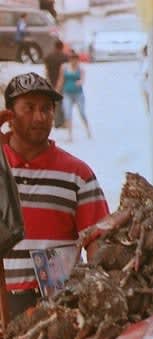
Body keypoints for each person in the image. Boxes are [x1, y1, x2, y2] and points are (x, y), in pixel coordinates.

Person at [0, 72, 109, 319]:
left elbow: (99, 240)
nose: (39, 117)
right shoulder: (1, 166)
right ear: (9, 116)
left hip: (59, 307)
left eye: (46, 109)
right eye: (29, 108)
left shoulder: (78, 174)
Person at [56, 51, 92, 142]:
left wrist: (79, 82)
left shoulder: (81, 69)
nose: (74, 61)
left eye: (75, 60)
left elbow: (82, 80)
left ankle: (88, 130)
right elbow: (61, 80)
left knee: (82, 112)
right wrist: (57, 90)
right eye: (72, 59)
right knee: (67, 113)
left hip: (78, 94)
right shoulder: (64, 67)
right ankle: (70, 135)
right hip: (67, 93)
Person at [43, 40, 68, 128]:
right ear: (62, 47)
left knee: (53, 103)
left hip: (51, 82)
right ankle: (60, 122)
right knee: (61, 102)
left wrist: (47, 81)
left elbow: (46, 71)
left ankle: (54, 121)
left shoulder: (48, 57)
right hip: (62, 83)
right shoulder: (65, 57)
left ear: (55, 46)